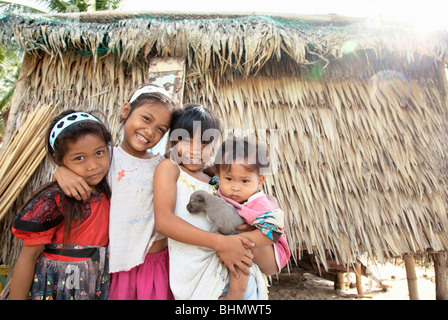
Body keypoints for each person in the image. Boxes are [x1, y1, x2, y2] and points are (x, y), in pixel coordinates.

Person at [53, 84, 178, 300]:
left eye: (160, 129)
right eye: (146, 119)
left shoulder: (163, 166)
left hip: (154, 265)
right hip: (113, 266)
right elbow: (75, 162)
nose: (150, 131)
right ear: (126, 110)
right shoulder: (103, 158)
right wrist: (60, 172)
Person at [153, 105, 269, 300]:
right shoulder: (170, 169)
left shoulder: (216, 181)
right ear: (174, 140)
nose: (196, 149)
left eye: (205, 142)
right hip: (202, 281)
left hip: (238, 277)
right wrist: (221, 243)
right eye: (188, 140)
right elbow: (164, 221)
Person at [9, 110, 112, 300]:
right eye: (79, 158)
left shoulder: (108, 188)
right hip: (59, 287)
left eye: (99, 153)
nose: (93, 166)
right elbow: (29, 256)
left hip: (95, 284)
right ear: (59, 160)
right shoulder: (54, 200)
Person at [213, 137, 291, 299]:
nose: (235, 187)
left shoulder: (259, 203)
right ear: (218, 176)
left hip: (270, 247)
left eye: (245, 181)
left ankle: (236, 294)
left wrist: (239, 240)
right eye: (228, 179)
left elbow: (273, 232)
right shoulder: (219, 189)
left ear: (260, 182)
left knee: (240, 248)